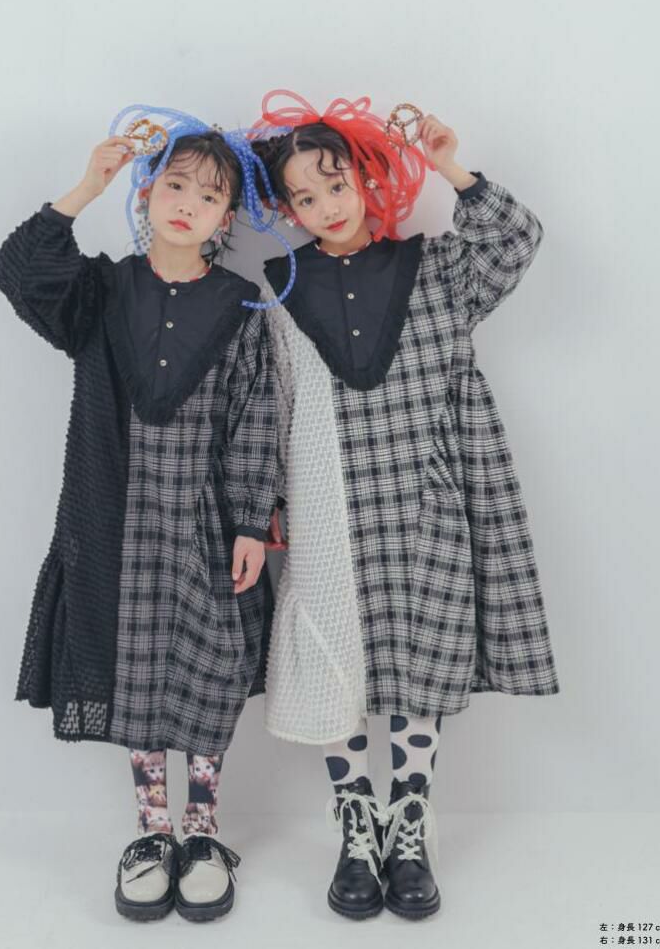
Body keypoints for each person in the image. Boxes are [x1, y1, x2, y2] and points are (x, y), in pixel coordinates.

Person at [250, 90, 560, 920]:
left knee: (423, 653)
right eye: (304, 198)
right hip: (324, 500)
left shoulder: (435, 267)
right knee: (333, 662)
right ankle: (357, 822)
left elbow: (517, 239)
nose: (326, 207)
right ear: (287, 210)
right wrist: (265, 503)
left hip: (426, 491)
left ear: (367, 176)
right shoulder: (278, 290)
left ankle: (409, 820)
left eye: (336, 184)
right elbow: (270, 403)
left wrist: (453, 169)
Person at [0, 106, 291, 922]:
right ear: (148, 192)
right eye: (176, 185)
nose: (189, 203)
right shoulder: (101, 290)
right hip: (114, 516)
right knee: (135, 672)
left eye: (210, 195)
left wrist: (250, 522)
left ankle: (203, 830)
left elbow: (255, 417)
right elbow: (18, 270)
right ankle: (154, 831)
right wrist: (88, 184)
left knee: (209, 668)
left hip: (204, 522)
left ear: (227, 219)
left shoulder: (241, 304)